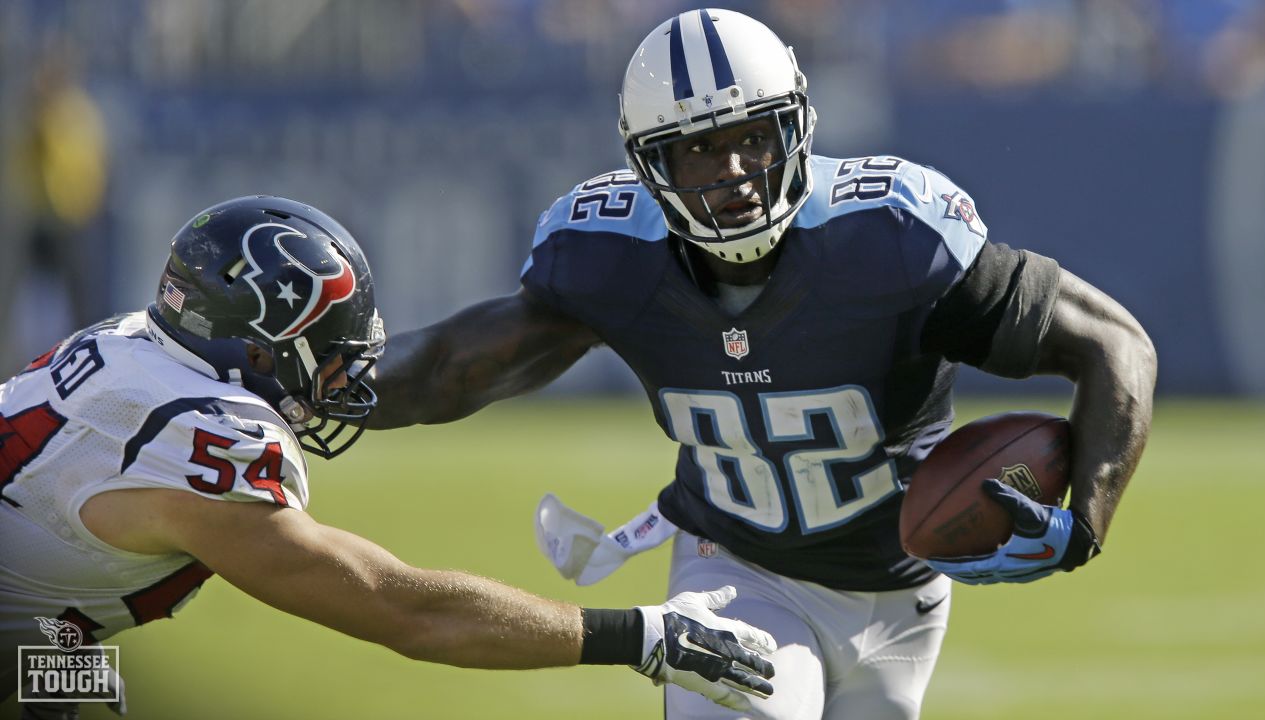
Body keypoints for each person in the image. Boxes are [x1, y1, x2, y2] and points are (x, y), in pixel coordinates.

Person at [368, 8, 1157, 720]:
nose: (736, 172)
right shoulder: (613, 256)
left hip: (905, 592)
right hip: (737, 571)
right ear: (649, 166)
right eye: (699, 150)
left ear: (799, 126)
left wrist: (1085, 519)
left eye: (753, 136)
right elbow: (449, 369)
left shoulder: (889, 238)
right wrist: (322, 385)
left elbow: (1115, 344)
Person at [0, 196, 778, 718]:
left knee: (79, 683)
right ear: (255, 350)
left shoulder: (131, 343)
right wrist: (641, 635)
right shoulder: (203, 438)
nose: (348, 372)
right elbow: (400, 607)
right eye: (329, 351)